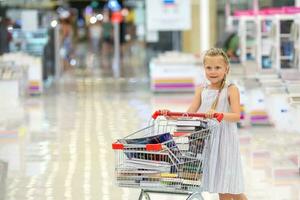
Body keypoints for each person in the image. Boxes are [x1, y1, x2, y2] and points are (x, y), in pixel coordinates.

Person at [163, 48, 248, 200]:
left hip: (225, 141)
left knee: (226, 185)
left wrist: (218, 115)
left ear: (226, 69)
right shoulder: (201, 89)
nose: (213, 71)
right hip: (208, 141)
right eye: (209, 67)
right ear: (204, 68)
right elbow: (190, 114)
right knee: (231, 187)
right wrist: (172, 116)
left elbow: (236, 116)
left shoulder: (231, 89)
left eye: (217, 67)